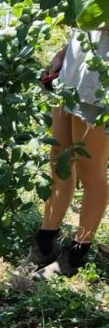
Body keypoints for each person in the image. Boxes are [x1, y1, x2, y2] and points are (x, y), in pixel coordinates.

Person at [28, 28, 109, 278]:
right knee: (59, 158)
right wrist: (64, 52)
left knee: (89, 169)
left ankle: (75, 254)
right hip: (75, 67)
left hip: (100, 78)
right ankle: (45, 243)